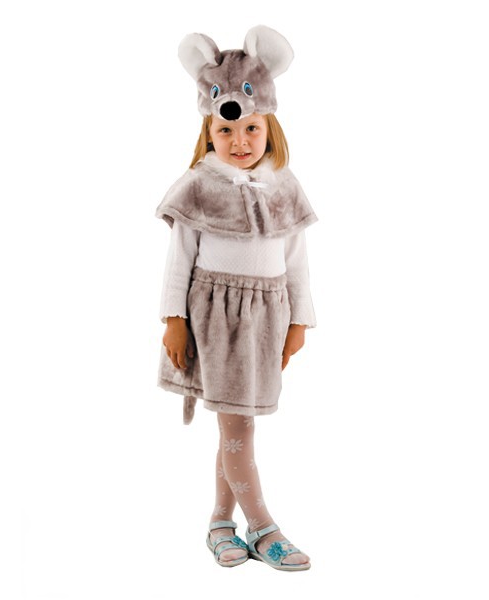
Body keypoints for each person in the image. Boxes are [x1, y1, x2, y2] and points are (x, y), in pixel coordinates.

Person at [156, 26, 318, 571]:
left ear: (269, 127)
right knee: (238, 427)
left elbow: (296, 261)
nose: (240, 141)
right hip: (215, 320)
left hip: (266, 320)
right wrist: (174, 319)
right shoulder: (199, 186)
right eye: (227, 131)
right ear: (209, 132)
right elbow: (179, 258)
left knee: (237, 422)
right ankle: (264, 527)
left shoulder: (284, 187)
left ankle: (220, 523)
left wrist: (299, 321)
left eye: (251, 128)